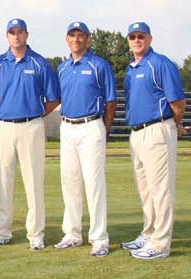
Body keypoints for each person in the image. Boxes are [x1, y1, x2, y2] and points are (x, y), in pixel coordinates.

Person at [0, 18, 60, 250]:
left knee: (33, 182)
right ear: (7, 36)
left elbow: (53, 99)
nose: (16, 36)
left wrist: (36, 114)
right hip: (3, 126)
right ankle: (1, 232)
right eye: (12, 32)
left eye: (20, 32)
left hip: (31, 126)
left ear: (27, 35)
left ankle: (36, 234)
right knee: (3, 181)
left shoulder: (39, 63)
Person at [120, 22, 186, 259]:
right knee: (145, 191)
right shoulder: (130, 68)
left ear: (149, 38)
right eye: (132, 36)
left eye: (141, 36)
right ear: (128, 40)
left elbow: (177, 102)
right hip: (136, 133)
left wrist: (173, 124)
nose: (137, 40)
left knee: (160, 190)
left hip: (157, 129)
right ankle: (149, 234)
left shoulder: (160, 63)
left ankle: (160, 245)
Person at [54, 22, 115, 257]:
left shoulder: (99, 65)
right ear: (66, 39)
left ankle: (99, 238)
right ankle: (72, 234)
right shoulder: (62, 67)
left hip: (92, 125)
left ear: (87, 39)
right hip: (67, 126)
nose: (76, 39)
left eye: (80, 35)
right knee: (69, 182)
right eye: (72, 35)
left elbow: (111, 102)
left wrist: (104, 130)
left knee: (94, 184)